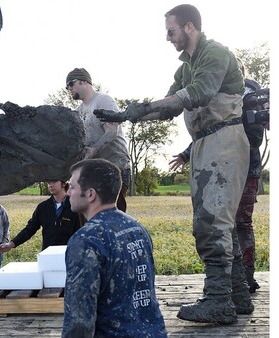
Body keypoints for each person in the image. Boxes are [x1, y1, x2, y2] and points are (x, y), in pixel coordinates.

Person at [94, 4, 252, 324]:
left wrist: (141, 108)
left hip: (224, 139)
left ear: (189, 27)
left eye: (171, 31)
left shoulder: (215, 54)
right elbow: (169, 108)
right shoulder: (184, 67)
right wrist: (128, 115)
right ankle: (237, 294)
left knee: (211, 222)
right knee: (221, 220)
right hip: (205, 144)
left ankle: (219, 301)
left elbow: (198, 93)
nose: (168, 38)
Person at [169, 72, 267, 294]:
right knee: (229, 223)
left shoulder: (246, 95)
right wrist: (186, 154)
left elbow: (248, 136)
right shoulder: (221, 97)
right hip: (231, 165)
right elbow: (212, 130)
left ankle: (244, 277)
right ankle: (239, 280)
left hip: (242, 166)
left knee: (238, 223)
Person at [63, 158, 167, 337]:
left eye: (71, 187)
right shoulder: (137, 227)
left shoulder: (86, 240)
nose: (67, 193)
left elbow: (79, 321)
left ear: (90, 195)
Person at [66, 67, 131, 212]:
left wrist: (93, 150)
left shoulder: (103, 100)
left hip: (115, 166)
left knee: (112, 218)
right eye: (67, 86)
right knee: (89, 218)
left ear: (84, 81)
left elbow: (112, 132)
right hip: (92, 170)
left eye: (71, 83)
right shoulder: (79, 111)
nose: (68, 88)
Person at [0, 180, 81, 254]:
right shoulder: (43, 207)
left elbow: (82, 231)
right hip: (48, 255)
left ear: (64, 183)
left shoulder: (76, 206)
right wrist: (11, 244)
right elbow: (30, 229)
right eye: (48, 182)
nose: (50, 185)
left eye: (54, 181)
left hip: (72, 255)